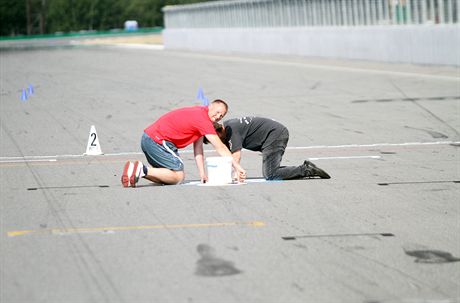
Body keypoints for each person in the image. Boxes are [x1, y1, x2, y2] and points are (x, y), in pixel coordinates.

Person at [121, 100, 246, 187]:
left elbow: (198, 149)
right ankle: (141, 169)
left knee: (167, 178)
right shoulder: (203, 121)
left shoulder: (200, 114)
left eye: (222, 115)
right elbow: (220, 147)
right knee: (178, 176)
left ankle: (136, 171)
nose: (219, 116)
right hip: (158, 141)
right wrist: (237, 167)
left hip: (148, 138)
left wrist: (202, 173)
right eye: (218, 111)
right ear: (210, 106)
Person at [210, 116, 331, 180]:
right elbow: (227, 154)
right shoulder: (227, 128)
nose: (215, 142)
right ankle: (302, 169)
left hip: (274, 135)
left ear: (219, 132)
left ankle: (306, 169)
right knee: (272, 171)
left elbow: (235, 156)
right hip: (271, 135)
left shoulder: (231, 131)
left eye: (214, 139)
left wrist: (234, 174)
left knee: (271, 174)